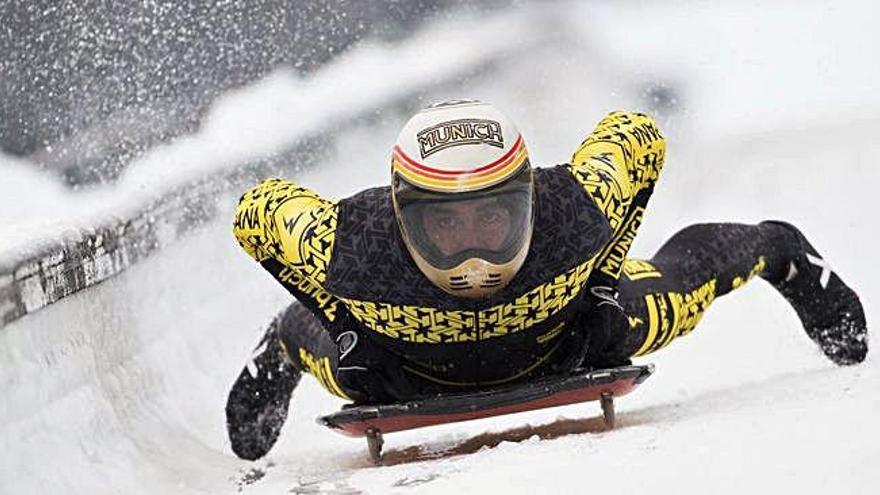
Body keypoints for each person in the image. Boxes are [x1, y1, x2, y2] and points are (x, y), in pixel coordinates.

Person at [225, 100, 868, 460]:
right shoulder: (348, 244)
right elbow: (254, 214)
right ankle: (280, 350)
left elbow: (638, 136)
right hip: (393, 366)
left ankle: (779, 248)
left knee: (685, 278)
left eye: (493, 218)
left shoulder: (573, 209)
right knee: (307, 336)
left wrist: (604, 280)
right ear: (401, 219)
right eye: (446, 228)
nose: (472, 255)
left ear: (529, 201)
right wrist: (337, 319)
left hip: (572, 336)